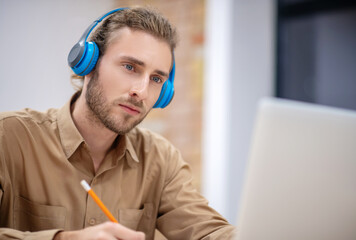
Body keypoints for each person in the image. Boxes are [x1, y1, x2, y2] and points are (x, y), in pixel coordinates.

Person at [0, 6, 235, 240]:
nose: (141, 92)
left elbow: (209, 231)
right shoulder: (7, 138)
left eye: (156, 79)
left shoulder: (160, 161)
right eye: (130, 67)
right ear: (88, 63)